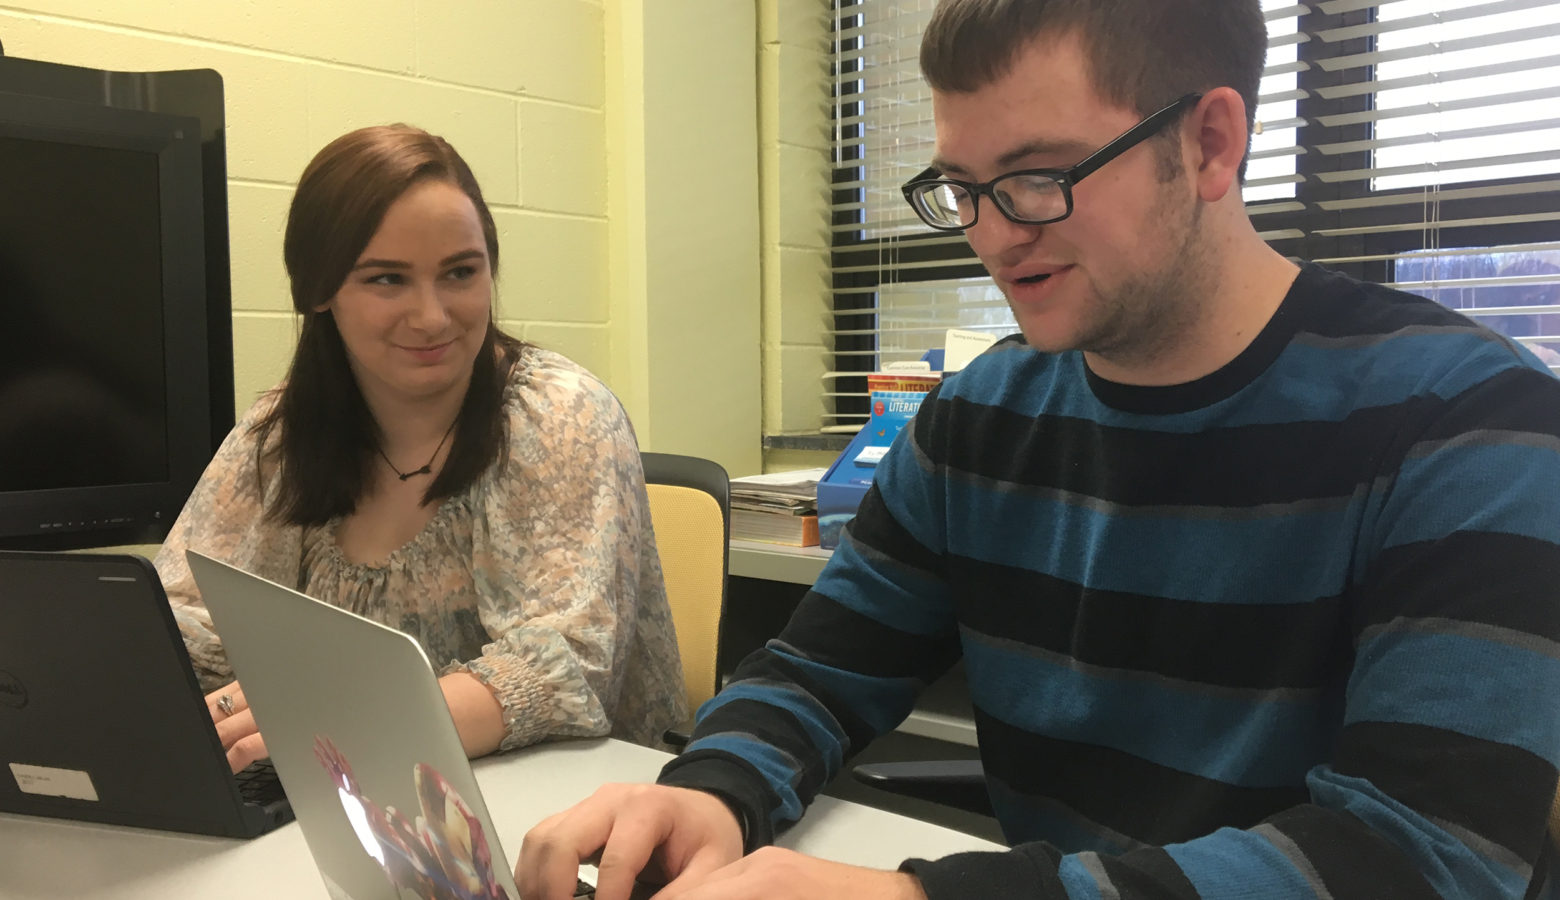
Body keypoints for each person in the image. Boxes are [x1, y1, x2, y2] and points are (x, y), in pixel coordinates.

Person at [515, 1, 1560, 898]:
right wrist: (712, 792)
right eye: (963, 186)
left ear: (1209, 144)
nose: (993, 235)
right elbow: (816, 672)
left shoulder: (1474, 422)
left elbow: (1425, 856)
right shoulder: (979, 420)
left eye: (1038, 177)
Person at [154, 124, 687, 773]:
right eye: (387, 280)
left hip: (570, 799)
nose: (432, 316)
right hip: (350, 786)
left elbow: (562, 675)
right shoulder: (283, 433)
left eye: (460, 272)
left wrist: (338, 711)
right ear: (319, 289)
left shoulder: (559, 413)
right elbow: (184, 620)